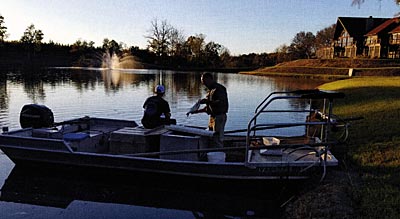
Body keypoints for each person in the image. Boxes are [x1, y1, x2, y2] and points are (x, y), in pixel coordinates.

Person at [190, 73, 228, 148]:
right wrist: (195, 111)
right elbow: (208, 108)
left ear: (209, 79)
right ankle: (212, 154)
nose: (204, 84)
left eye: (204, 81)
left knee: (217, 139)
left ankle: (218, 156)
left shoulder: (219, 89)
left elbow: (220, 102)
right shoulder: (210, 91)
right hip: (212, 117)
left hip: (219, 117)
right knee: (211, 137)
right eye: (202, 82)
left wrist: (207, 101)